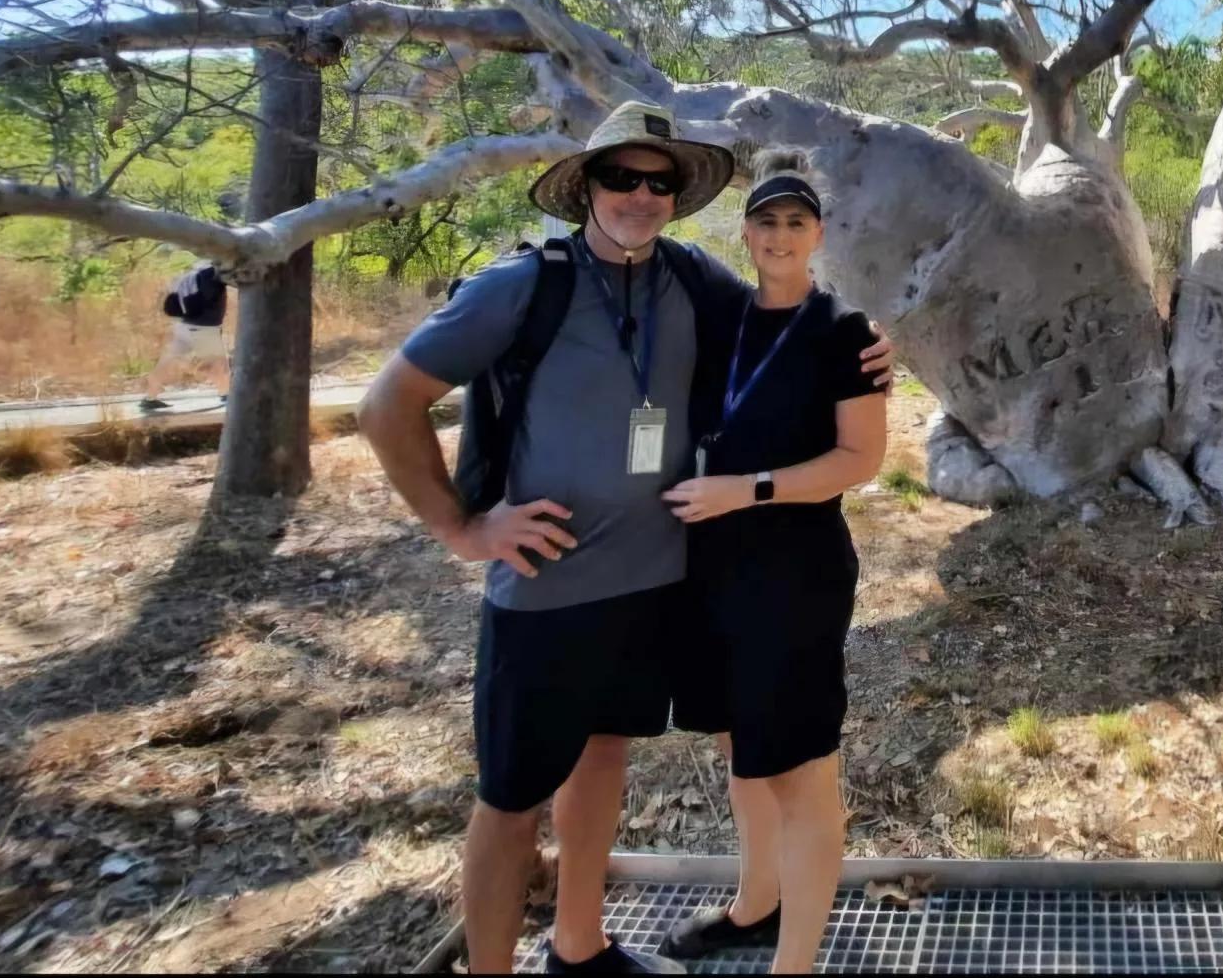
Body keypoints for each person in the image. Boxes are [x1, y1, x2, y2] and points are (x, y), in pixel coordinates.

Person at [356, 106, 892, 975]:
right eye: (622, 178)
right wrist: (460, 527)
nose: (641, 195)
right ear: (587, 186)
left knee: (601, 761)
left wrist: (865, 345)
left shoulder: (690, 278)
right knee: (510, 800)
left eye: (659, 182)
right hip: (543, 589)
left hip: (655, 587)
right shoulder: (524, 285)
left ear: (678, 198)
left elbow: (788, 317)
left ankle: (579, 946)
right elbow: (386, 404)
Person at [660, 158, 889, 974]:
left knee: (801, 771)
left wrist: (746, 491)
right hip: (711, 572)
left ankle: (794, 964)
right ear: (747, 234)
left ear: (819, 235)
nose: (781, 236)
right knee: (739, 749)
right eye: (767, 222)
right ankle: (756, 904)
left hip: (795, 577)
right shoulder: (720, 318)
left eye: (798, 222)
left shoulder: (845, 332)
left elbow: (860, 459)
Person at [138, 261, 229, 412]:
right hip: (204, 329)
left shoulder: (190, 274)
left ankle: (150, 397)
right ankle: (227, 395)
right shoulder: (213, 274)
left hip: (183, 326)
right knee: (218, 365)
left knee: (167, 360)